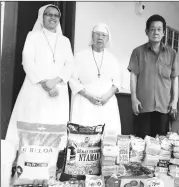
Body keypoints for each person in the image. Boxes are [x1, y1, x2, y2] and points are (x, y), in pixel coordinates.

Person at [5, 4, 74, 149]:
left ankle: (52, 162)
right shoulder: (33, 36)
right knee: (33, 122)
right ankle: (27, 160)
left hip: (58, 90)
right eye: (48, 14)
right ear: (41, 17)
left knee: (54, 125)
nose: (52, 18)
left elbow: (69, 65)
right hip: (35, 88)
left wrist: (54, 81)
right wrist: (45, 83)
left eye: (56, 15)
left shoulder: (65, 41)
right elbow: (27, 61)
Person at [128, 14, 179, 138]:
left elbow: (175, 78)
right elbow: (133, 76)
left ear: (163, 33)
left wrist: (174, 101)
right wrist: (133, 99)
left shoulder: (172, 53)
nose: (156, 32)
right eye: (152, 29)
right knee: (141, 141)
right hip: (143, 105)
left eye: (159, 29)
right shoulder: (138, 52)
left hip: (164, 105)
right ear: (147, 32)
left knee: (161, 142)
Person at [69, 23, 121, 134]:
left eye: (103, 35)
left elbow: (117, 82)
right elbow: (72, 80)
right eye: (97, 34)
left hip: (106, 103)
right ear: (92, 36)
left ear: (108, 39)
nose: (100, 37)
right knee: (84, 138)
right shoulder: (80, 56)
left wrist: (106, 97)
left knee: (108, 138)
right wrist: (88, 96)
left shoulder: (112, 59)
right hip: (84, 102)